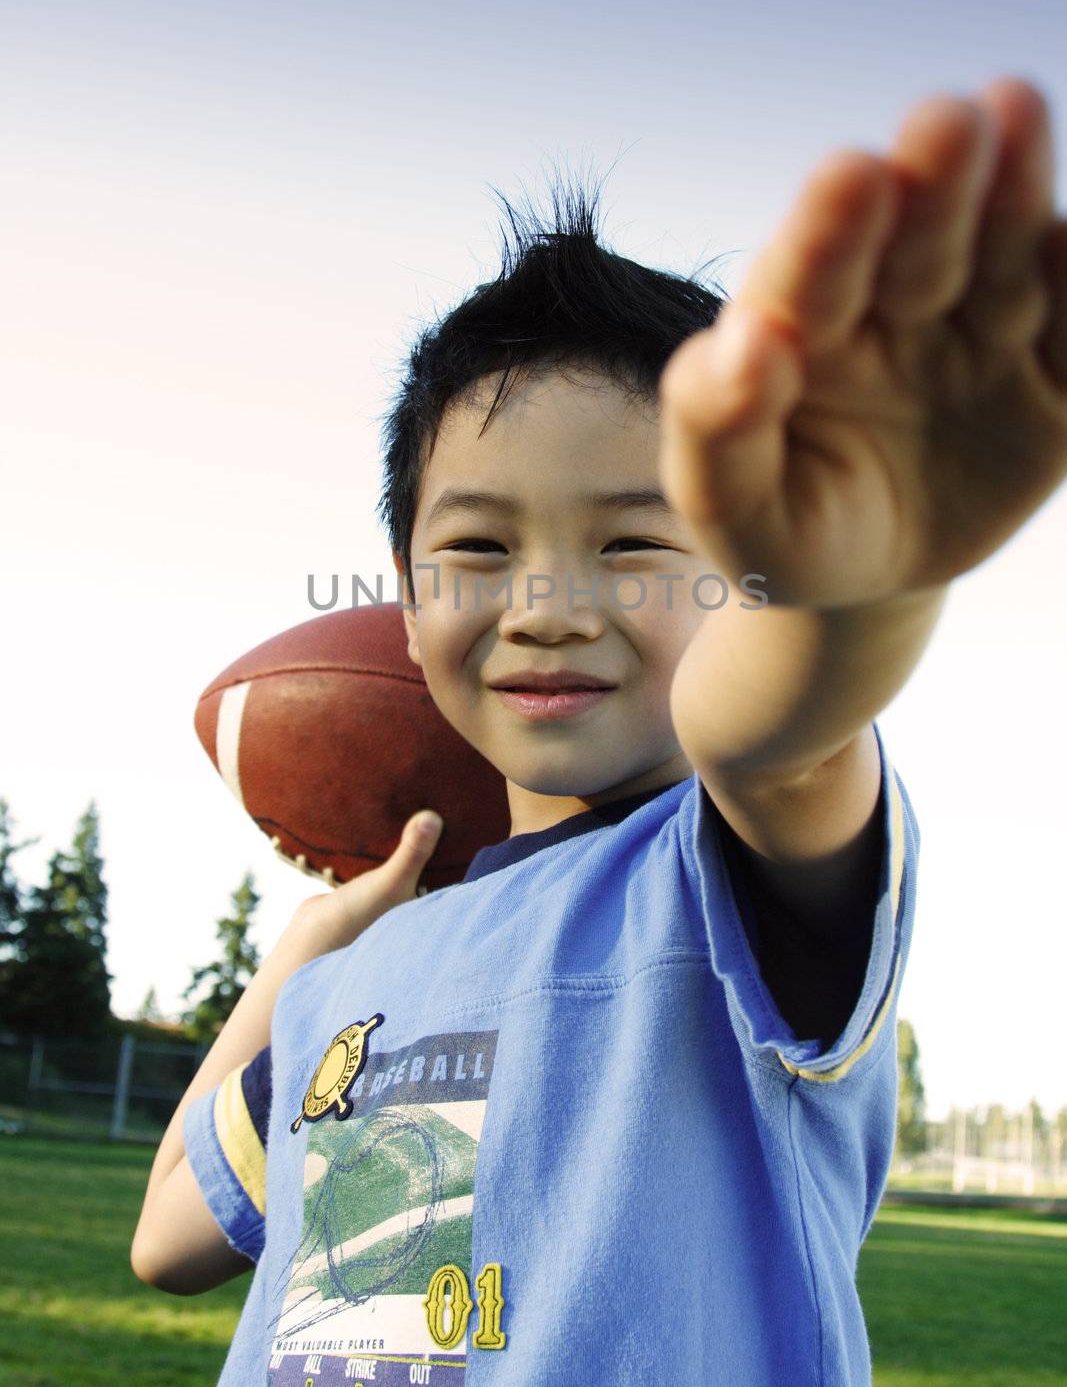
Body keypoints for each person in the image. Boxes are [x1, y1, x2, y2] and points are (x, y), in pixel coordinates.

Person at [132, 77, 1067, 1385]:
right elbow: (168, 1234)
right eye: (478, 548)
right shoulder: (350, 987)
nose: (551, 606)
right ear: (404, 605)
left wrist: (855, 573)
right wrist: (304, 954)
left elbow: (776, 726)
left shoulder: (715, 880)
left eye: (634, 543)